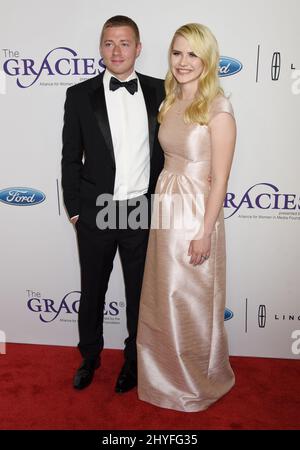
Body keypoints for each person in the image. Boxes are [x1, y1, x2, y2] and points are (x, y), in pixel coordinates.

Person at [61, 15, 164, 393]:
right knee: (92, 291)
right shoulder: (79, 95)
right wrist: (74, 210)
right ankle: (89, 357)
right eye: (109, 43)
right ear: (100, 49)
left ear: (138, 48)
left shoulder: (161, 91)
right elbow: (70, 157)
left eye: (124, 43)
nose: (116, 50)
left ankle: (133, 362)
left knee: (139, 294)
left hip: (140, 209)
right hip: (96, 210)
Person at [137, 23, 236, 412]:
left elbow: (221, 179)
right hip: (166, 205)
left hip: (196, 211)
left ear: (208, 59)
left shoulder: (220, 108)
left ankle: (195, 383)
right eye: (177, 53)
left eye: (192, 54)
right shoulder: (169, 100)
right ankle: (163, 377)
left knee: (190, 297)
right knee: (164, 296)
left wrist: (205, 231)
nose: (183, 62)